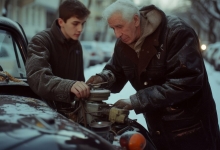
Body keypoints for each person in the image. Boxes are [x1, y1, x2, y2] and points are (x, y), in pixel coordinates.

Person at [86, 0, 220, 149]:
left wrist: (136, 101)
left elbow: (186, 82)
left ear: (136, 20)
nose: (117, 34)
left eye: (119, 26)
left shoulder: (177, 32)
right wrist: (103, 78)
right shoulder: (122, 44)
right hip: (157, 128)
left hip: (191, 129)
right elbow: (115, 71)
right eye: (112, 28)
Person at [26, 0, 90, 118]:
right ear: (61, 22)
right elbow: (37, 77)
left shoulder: (77, 45)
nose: (80, 29)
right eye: (75, 23)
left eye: (83, 23)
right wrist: (69, 86)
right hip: (42, 115)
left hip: (69, 116)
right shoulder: (41, 41)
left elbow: (79, 79)